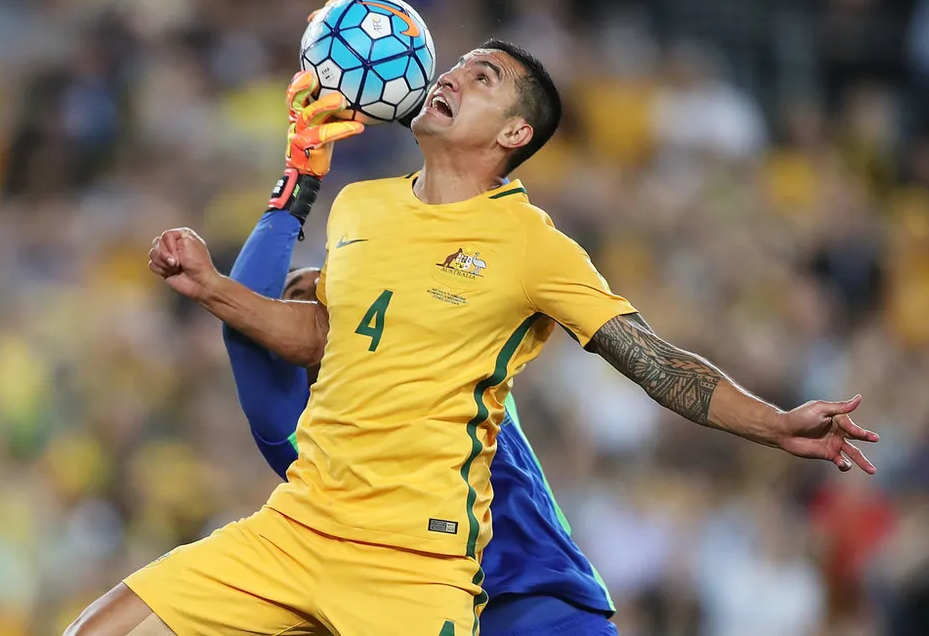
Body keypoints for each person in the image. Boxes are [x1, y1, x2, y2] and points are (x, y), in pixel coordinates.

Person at [68, 33, 879, 636]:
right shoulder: (363, 208)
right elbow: (321, 339)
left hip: (414, 568)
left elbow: (654, 361)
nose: (451, 74)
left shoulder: (534, 246)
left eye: (482, 77)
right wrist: (211, 288)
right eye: (457, 64)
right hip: (296, 527)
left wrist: (777, 423)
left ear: (513, 134)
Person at [223, 200, 619, 634]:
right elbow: (243, 324)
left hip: (538, 598)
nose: (313, 306)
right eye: (292, 301)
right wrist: (292, 195)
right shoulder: (297, 430)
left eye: (324, 292)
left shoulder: (445, 366)